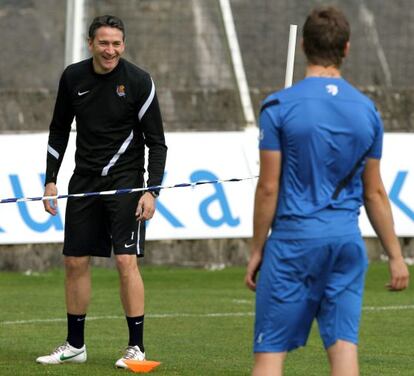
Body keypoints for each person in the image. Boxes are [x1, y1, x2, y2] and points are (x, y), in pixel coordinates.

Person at [245, 6, 409, 376]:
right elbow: (375, 193)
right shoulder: (368, 111)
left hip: (293, 243)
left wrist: (257, 249)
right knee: (344, 352)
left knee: (270, 355)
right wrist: (396, 256)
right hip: (345, 243)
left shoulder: (279, 106)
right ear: (347, 48)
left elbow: (268, 187)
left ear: (304, 45)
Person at [36, 15, 167, 368]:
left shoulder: (139, 81)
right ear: (90, 43)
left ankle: (136, 348)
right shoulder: (73, 77)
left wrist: (151, 190)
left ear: (123, 45)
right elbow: (58, 130)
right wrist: (51, 179)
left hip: (126, 183)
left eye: (116, 43)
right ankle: (75, 346)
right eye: (104, 43)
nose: (110, 50)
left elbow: (157, 142)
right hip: (84, 183)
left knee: (125, 261)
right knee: (75, 261)